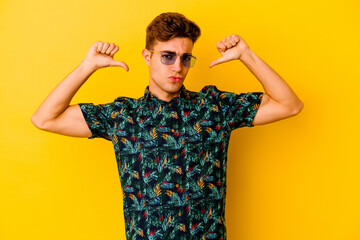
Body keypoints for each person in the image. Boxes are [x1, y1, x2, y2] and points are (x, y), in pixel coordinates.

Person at [32, 12, 303, 240]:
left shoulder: (214, 107)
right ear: (147, 56)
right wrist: (87, 66)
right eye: (167, 56)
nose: (178, 66)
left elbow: (289, 105)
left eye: (185, 58)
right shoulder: (123, 115)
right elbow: (45, 118)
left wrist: (246, 55)